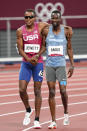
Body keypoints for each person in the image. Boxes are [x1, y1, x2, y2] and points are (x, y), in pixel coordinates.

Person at [34, 10, 74, 129]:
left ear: (60, 19)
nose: (54, 20)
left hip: (61, 66)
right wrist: (37, 54)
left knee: (62, 90)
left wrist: (72, 65)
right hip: (50, 66)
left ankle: (66, 112)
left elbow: (70, 48)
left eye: (56, 18)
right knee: (51, 92)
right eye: (53, 18)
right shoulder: (46, 31)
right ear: (51, 19)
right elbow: (44, 47)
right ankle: (53, 121)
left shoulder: (67, 31)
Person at [16, 9, 49, 129]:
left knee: (37, 91)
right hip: (26, 63)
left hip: (38, 63)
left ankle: (37, 119)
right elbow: (20, 49)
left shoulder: (41, 26)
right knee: (21, 89)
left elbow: (44, 45)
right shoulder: (20, 31)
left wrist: (37, 55)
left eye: (30, 17)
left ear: (35, 18)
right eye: (26, 17)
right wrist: (28, 59)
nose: (28, 19)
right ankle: (28, 110)